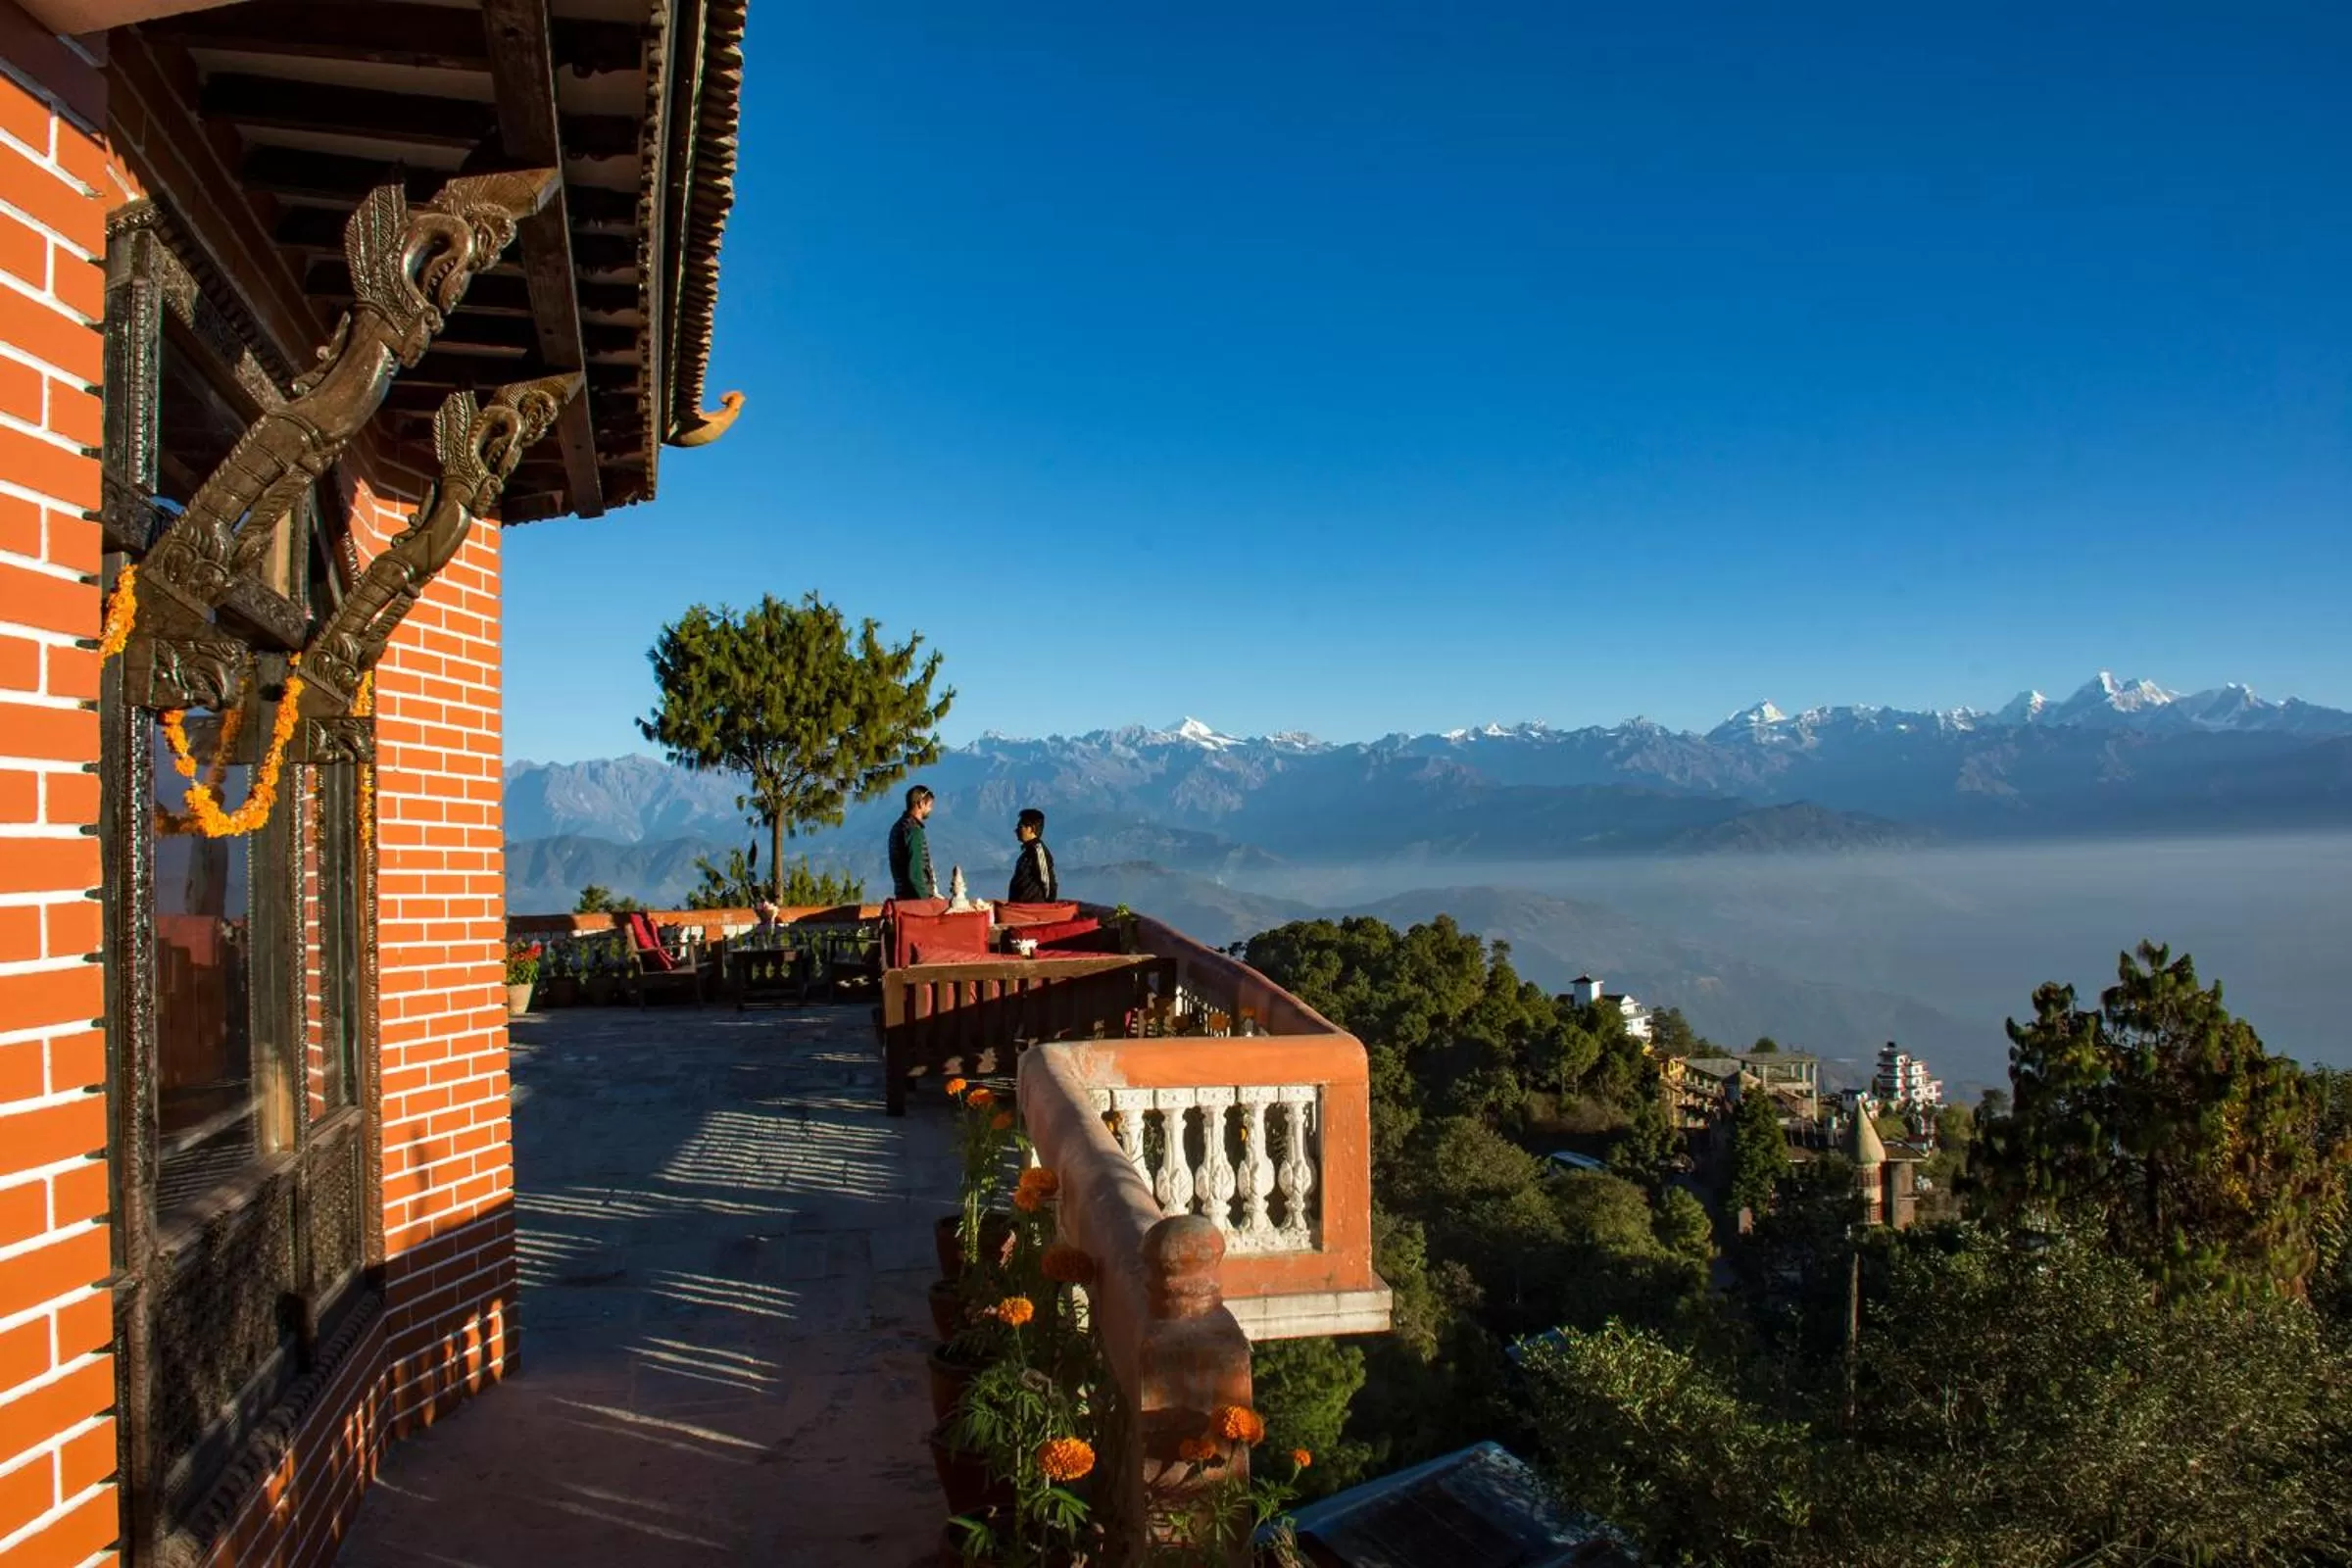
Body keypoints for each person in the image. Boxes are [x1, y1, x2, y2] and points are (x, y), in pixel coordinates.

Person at [889, 785, 938, 900]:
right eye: (929, 805)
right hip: (915, 899)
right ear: (920, 803)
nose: (931, 809)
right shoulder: (914, 831)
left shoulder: (897, 827)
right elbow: (915, 872)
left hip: (902, 896)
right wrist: (925, 900)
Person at [1007, 808, 1058, 903]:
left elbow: (1047, 881)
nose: (1016, 830)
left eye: (1020, 827)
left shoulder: (1038, 851)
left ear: (1031, 829)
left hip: (1032, 910)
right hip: (1019, 909)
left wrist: (1048, 908)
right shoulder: (1027, 852)